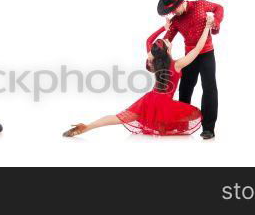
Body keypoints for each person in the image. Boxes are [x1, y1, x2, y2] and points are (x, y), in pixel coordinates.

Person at [63, 16, 214, 137]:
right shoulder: (177, 64)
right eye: (167, 41)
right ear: (167, 51)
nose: (169, 39)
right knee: (195, 113)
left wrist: (164, 28)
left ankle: (87, 126)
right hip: (164, 104)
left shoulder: (153, 60)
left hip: (149, 100)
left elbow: (149, 41)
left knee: (118, 117)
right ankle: (162, 130)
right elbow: (198, 48)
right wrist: (207, 27)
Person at [146, 0, 224, 139]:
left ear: (183, 2)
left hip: (207, 53)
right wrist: (152, 54)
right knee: (185, 88)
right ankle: (182, 124)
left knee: (209, 88)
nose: (174, 12)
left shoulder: (201, 5)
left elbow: (218, 7)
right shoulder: (175, 21)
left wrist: (215, 20)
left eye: (175, 9)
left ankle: (208, 128)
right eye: (172, 11)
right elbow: (166, 40)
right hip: (190, 56)